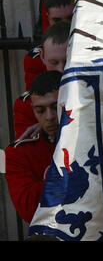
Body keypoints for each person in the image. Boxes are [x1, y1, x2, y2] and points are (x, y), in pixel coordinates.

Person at [5, 71, 62, 223]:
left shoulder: (93, 136)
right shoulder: (18, 154)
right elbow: (30, 211)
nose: (49, 116)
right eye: (40, 110)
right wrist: (56, 176)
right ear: (32, 110)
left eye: (55, 107)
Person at [14, 21, 70, 139]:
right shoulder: (25, 105)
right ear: (42, 56)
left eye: (67, 62)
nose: (61, 70)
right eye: (53, 62)